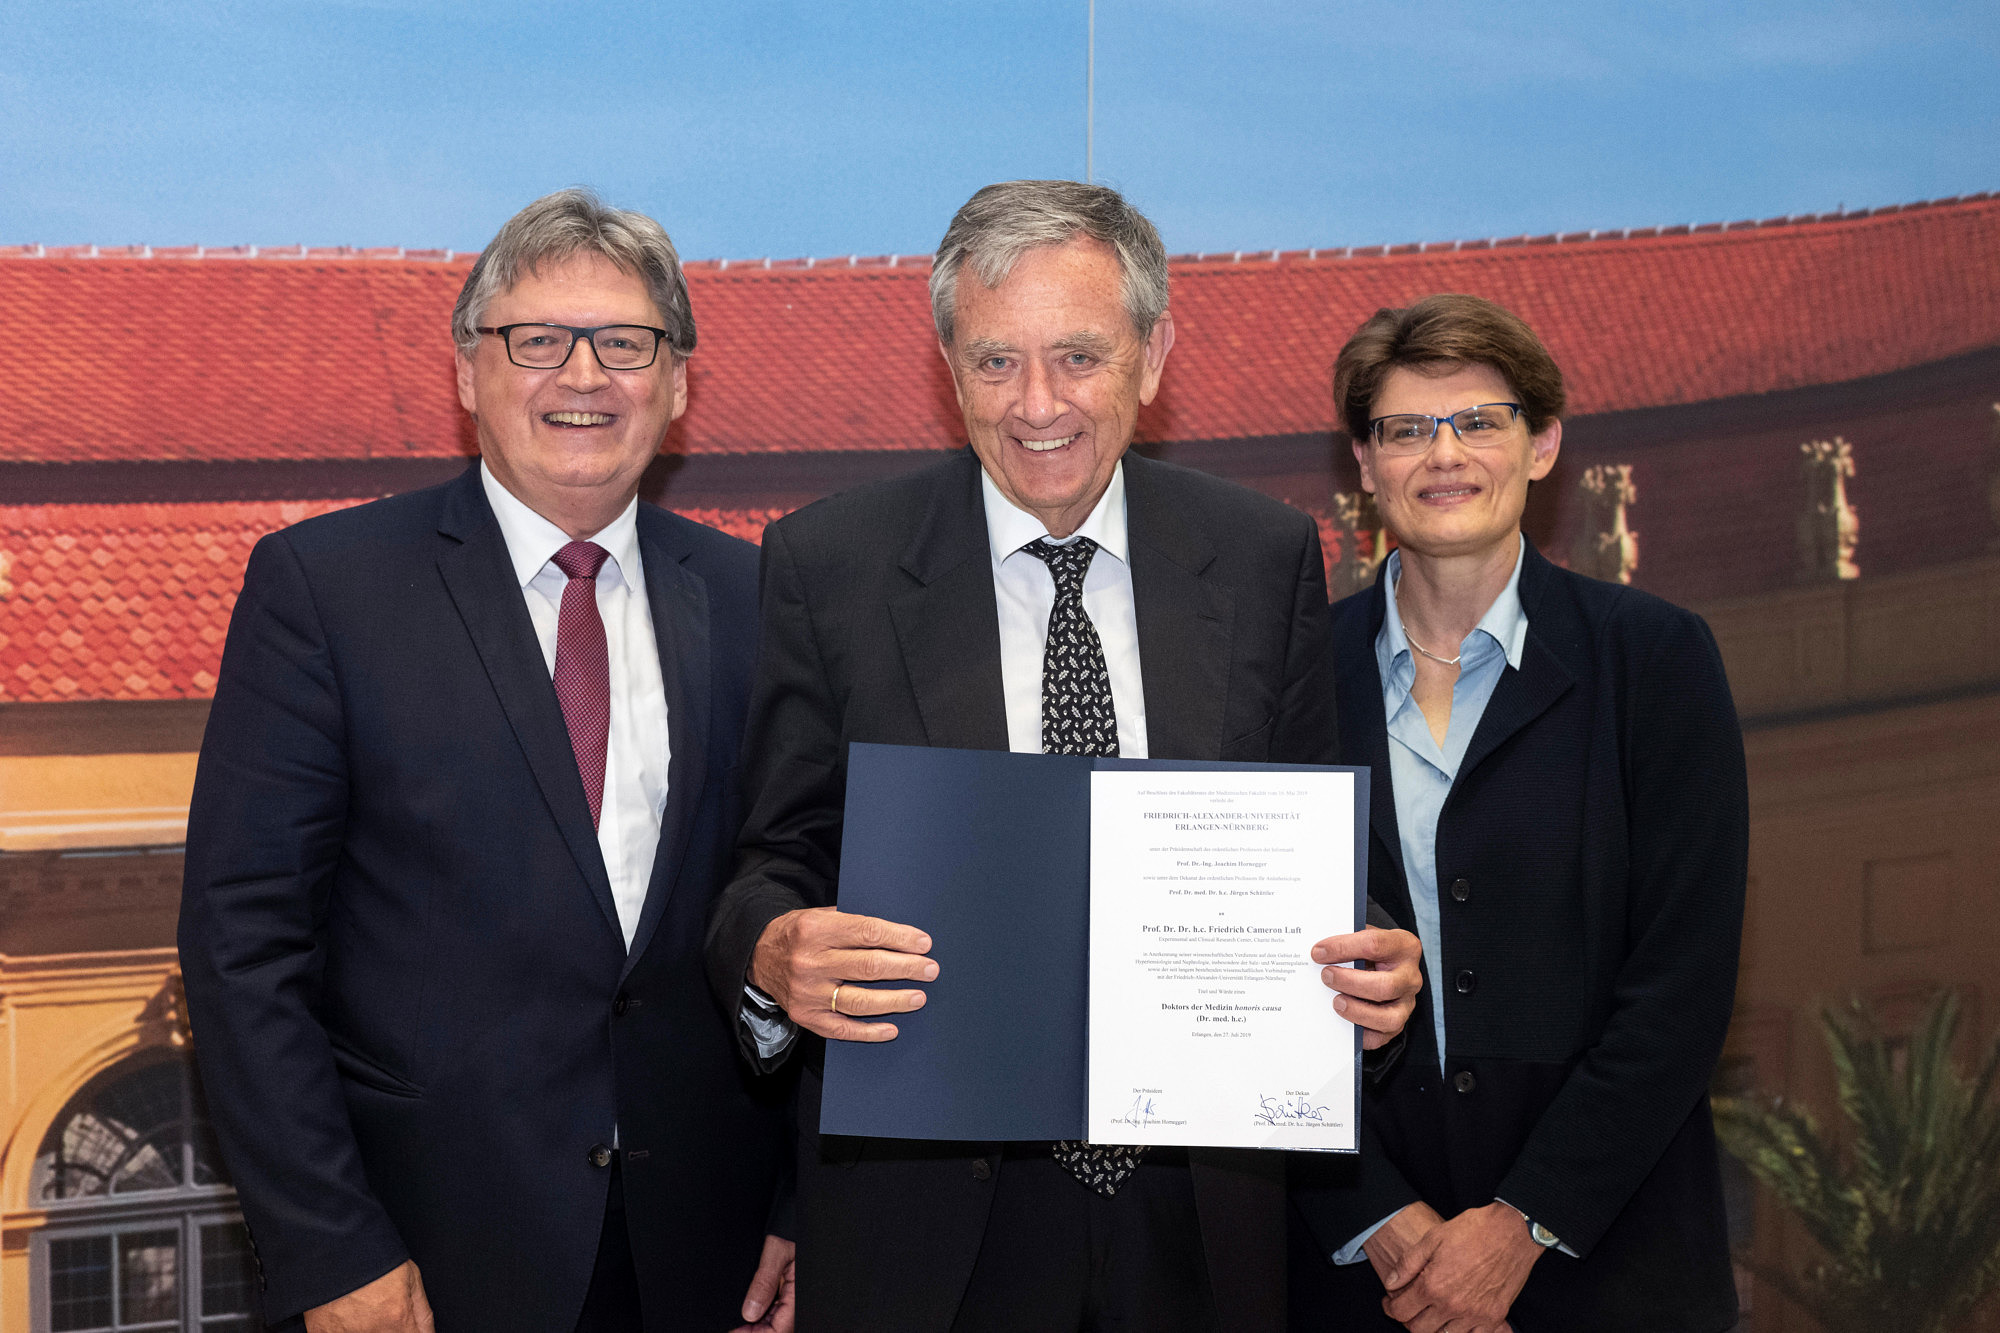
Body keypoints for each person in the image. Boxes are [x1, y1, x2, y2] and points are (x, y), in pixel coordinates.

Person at [703, 179, 1425, 1333]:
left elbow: (1309, 855)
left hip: (1199, 1212)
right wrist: (771, 949)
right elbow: (770, 861)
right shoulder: (831, 564)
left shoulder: (1259, 556)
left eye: (1077, 357)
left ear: (1152, 355)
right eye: (995, 361)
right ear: (948, 368)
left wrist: (1371, 964)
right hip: (924, 1222)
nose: (1036, 403)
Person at [179, 189, 794, 1333]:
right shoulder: (325, 591)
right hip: (419, 1257)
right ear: (467, 371)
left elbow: (801, 898)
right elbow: (242, 948)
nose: (583, 375)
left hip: (708, 1255)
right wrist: (330, 1249)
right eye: (537, 340)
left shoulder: (759, 596)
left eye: (625, 343)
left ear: (676, 383)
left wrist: (800, 1202)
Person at [1288, 293, 1748, 1332]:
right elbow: (1249, 980)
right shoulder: (1289, 679)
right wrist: (1380, 1220)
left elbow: (1680, 988)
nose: (1442, 455)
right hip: (1365, 1279)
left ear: (1541, 445)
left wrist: (1521, 1224)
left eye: (1478, 422)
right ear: (1363, 462)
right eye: (1406, 428)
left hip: (1611, 1265)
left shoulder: (1655, 660)